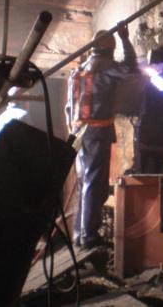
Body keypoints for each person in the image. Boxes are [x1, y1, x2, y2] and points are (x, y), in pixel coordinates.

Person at [65, 23, 137, 250]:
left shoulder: (79, 70)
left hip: (79, 131)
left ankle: (80, 233)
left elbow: (69, 107)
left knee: (85, 181)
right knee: (94, 183)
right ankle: (89, 236)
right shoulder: (105, 67)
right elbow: (130, 68)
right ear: (109, 49)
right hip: (95, 132)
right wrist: (125, 39)